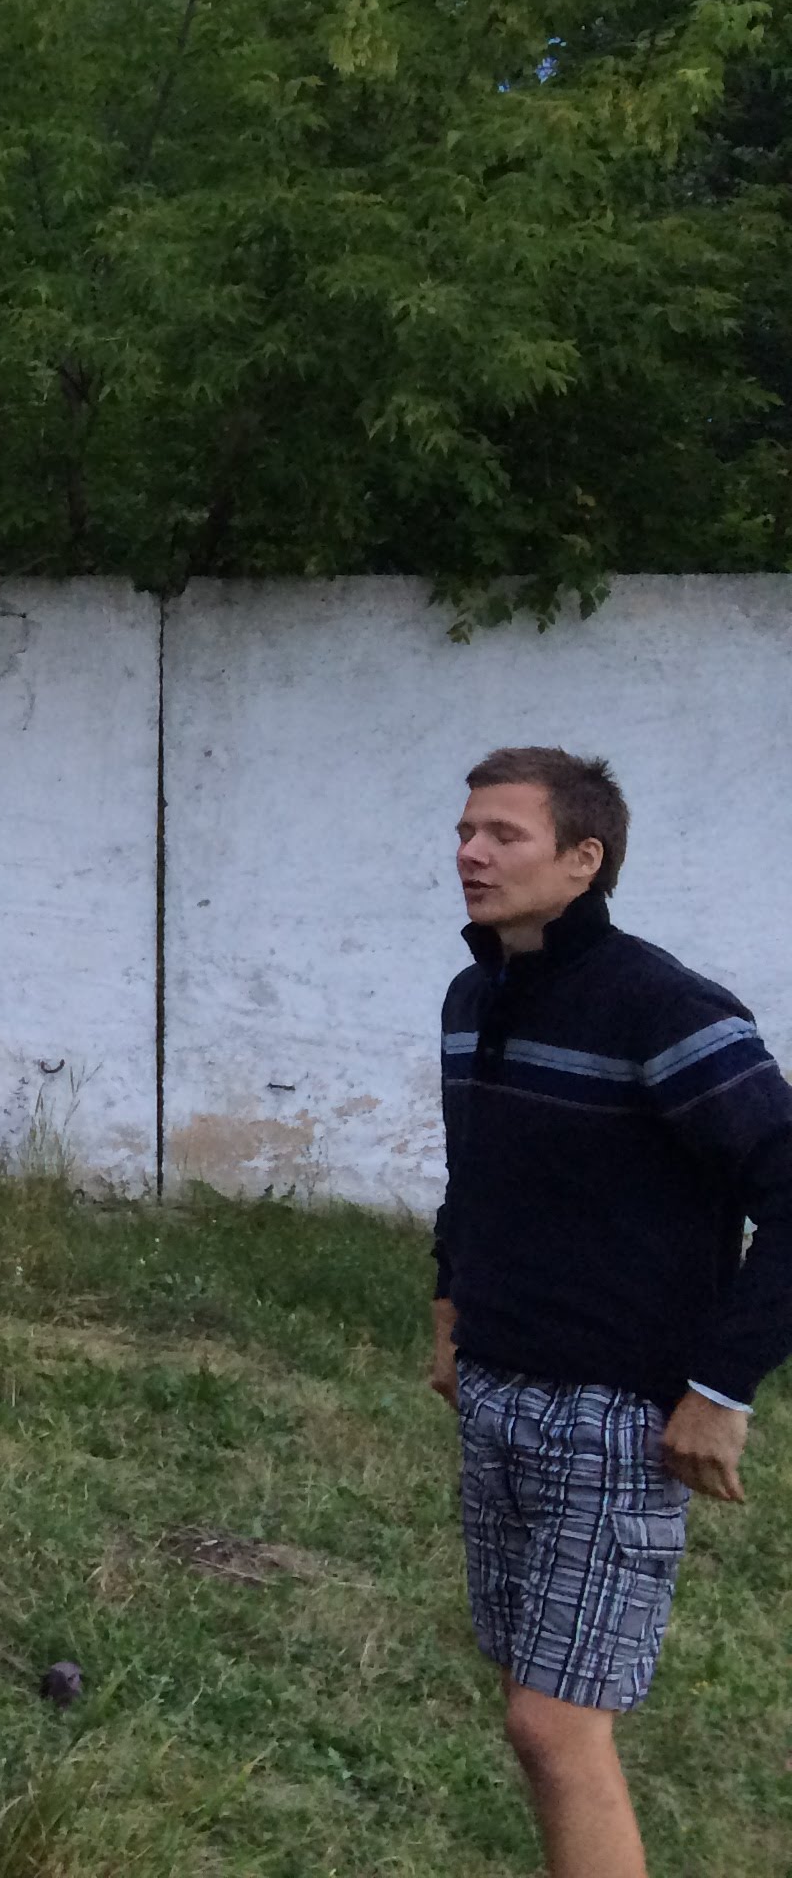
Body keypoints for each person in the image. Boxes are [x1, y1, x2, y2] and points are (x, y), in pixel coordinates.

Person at [433, 746, 792, 1878]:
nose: (471, 854)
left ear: (584, 859)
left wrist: (721, 1388)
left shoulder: (664, 1009)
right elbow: (477, 1175)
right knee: (528, 1705)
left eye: (504, 834)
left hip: (616, 1420)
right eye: (465, 832)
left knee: (555, 1726)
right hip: (496, 1396)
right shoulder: (475, 995)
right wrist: (450, 1311)